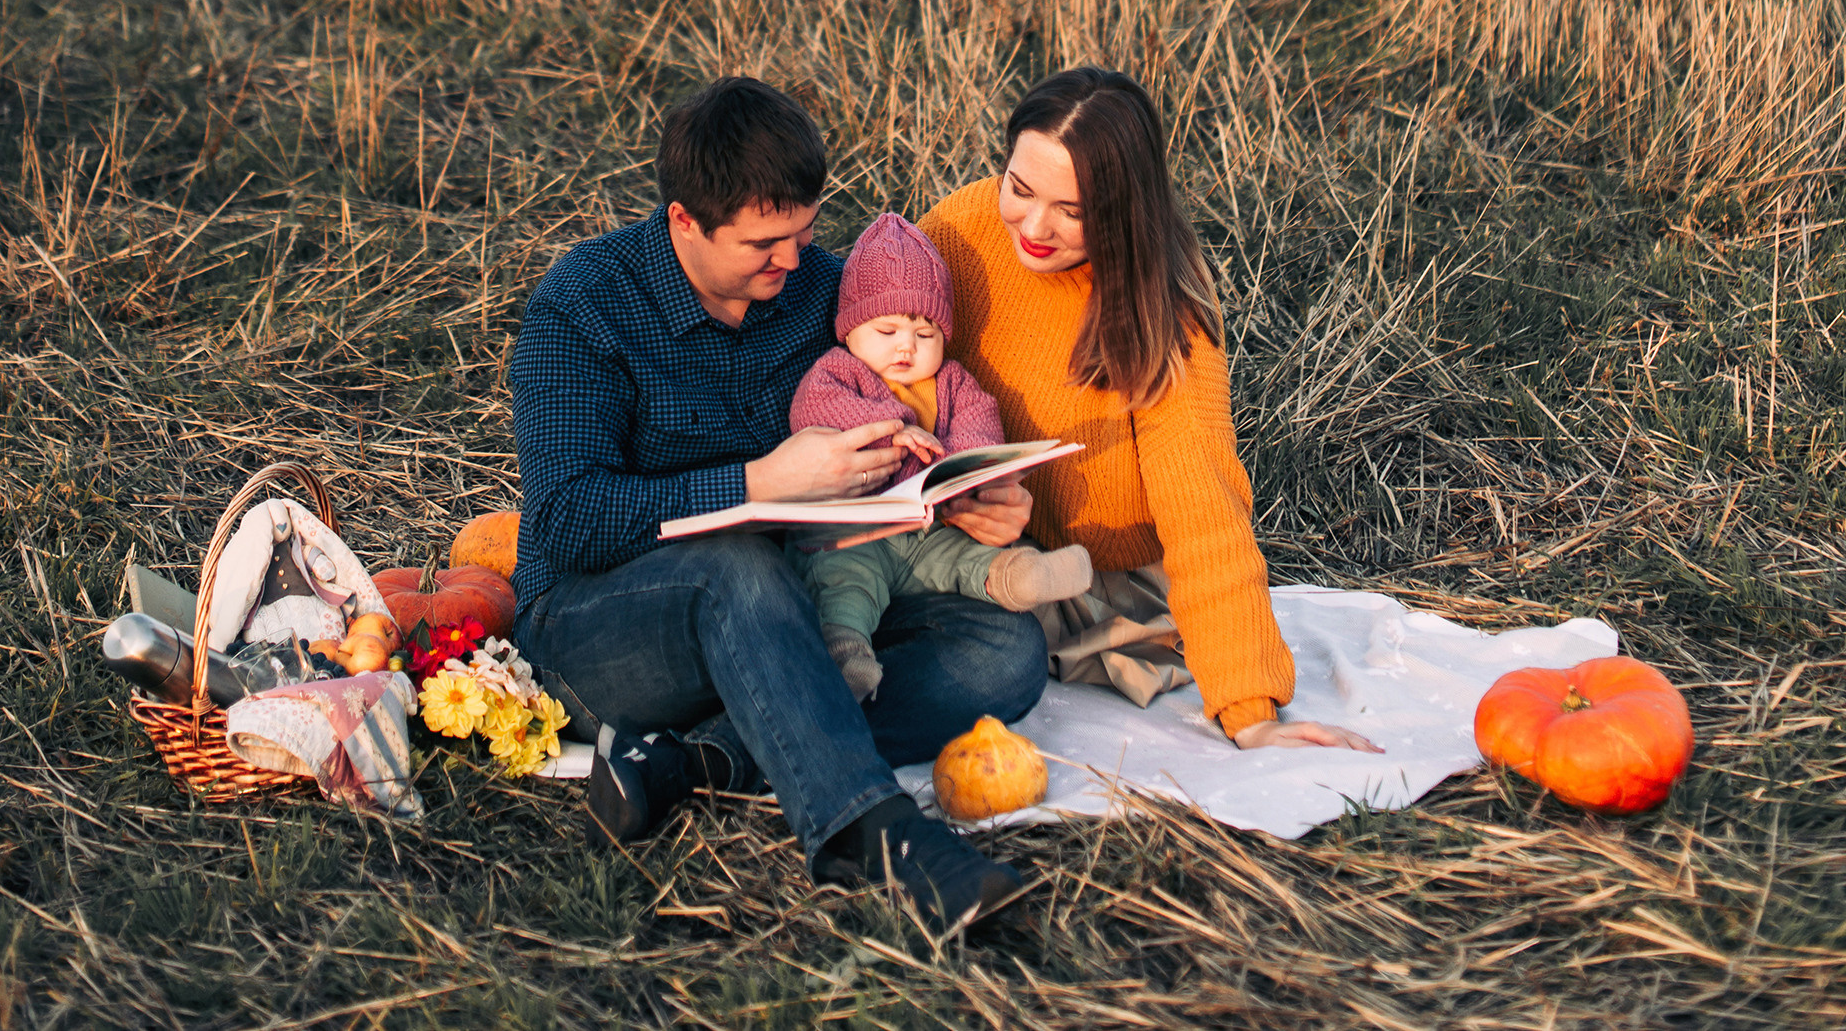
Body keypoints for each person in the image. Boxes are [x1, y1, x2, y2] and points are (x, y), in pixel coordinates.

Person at [509, 77, 1048, 934]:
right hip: (600, 628)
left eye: (804, 232)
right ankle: (877, 836)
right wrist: (760, 484)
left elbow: (918, 409)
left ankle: (694, 761)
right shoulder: (584, 307)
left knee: (1006, 650)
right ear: (685, 220)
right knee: (735, 566)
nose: (792, 261)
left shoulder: (823, 291)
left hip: (806, 592)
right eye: (764, 243)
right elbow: (569, 520)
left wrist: (970, 497)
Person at [921, 65, 1380, 756]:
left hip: (1091, 580)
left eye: (1073, 211)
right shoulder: (958, 227)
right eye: (1019, 188)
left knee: (991, 659)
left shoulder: (1165, 313)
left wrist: (1249, 709)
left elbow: (1203, 507)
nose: (1035, 226)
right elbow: (875, 355)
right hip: (955, 539)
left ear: (1123, 209)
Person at [788, 210, 1093, 698]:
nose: (906, 348)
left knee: (969, 558)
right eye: (887, 332)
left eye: (925, 334)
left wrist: (963, 470)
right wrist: (894, 433)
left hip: (931, 531)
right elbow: (815, 412)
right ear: (849, 330)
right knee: (845, 586)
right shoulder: (839, 372)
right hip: (855, 534)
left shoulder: (952, 382)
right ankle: (846, 657)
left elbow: (979, 426)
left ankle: (1022, 578)